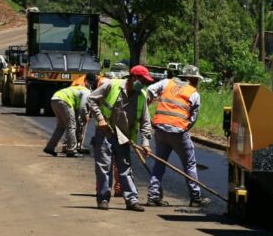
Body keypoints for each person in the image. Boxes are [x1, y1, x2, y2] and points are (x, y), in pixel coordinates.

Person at [86, 65, 154, 211]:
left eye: (146, 82)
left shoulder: (141, 96)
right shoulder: (112, 85)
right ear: (133, 78)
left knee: (125, 168)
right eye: (142, 81)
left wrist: (146, 143)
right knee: (104, 167)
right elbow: (91, 99)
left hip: (124, 136)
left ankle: (131, 200)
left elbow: (145, 121)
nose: (144, 84)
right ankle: (103, 198)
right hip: (105, 132)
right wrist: (100, 119)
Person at [145, 65, 211, 207]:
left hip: (160, 130)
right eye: (196, 79)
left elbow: (150, 89)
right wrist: (185, 127)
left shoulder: (166, 83)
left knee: (159, 163)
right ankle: (195, 197)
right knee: (189, 164)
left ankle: (153, 195)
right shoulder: (193, 93)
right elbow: (193, 117)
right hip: (179, 132)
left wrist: (146, 108)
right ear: (192, 79)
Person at [43, 73, 97, 158]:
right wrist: (85, 117)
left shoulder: (77, 87)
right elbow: (82, 108)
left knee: (61, 126)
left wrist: (80, 117)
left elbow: (77, 109)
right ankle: (71, 150)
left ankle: (49, 147)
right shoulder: (86, 91)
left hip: (55, 99)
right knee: (71, 126)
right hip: (64, 101)